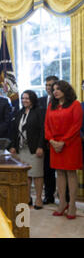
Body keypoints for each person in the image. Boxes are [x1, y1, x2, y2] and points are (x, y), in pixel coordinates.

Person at [45, 80, 83, 219]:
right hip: (54, 144)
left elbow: (76, 126)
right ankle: (62, 203)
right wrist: (52, 141)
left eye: (58, 89)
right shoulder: (51, 106)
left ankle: (72, 205)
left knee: (71, 174)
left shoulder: (75, 105)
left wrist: (63, 142)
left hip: (70, 144)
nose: (54, 91)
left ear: (65, 90)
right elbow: (47, 125)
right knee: (59, 174)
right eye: (53, 89)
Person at [9, 90, 45, 209]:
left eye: (27, 98)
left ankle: (38, 199)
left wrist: (41, 146)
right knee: (26, 175)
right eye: (23, 98)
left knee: (37, 175)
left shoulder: (39, 112)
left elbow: (42, 131)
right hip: (21, 148)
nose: (24, 100)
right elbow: (14, 131)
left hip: (34, 148)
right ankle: (28, 198)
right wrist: (13, 146)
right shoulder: (19, 113)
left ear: (32, 99)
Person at [38, 75, 59, 205]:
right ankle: (49, 196)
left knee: (62, 171)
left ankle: (65, 197)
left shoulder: (61, 101)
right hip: (44, 141)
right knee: (47, 170)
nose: (48, 87)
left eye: (51, 85)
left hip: (58, 140)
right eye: (46, 85)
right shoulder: (40, 101)